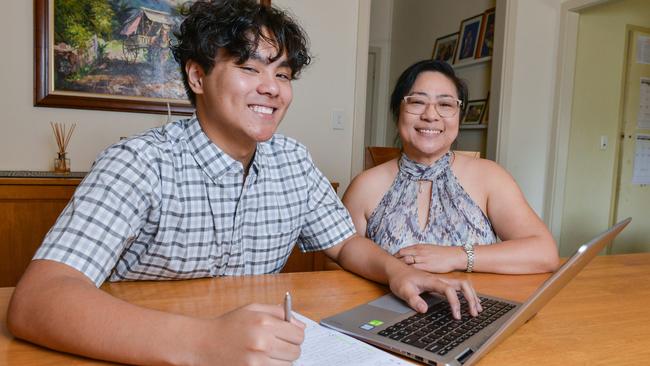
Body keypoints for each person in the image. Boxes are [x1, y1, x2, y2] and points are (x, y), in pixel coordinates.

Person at [7, 3, 482, 366]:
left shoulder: (292, 160)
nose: (272, 88)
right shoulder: (138, 163)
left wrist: (398, 272)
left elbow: (345, 243)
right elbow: (36, 302)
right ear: (197, 75)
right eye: (250, 69)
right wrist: (203, 343)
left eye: (283, 74)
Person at [343, 60, 559, 275]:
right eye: (417, 102)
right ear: (397, 110)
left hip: (477, 305)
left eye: (445, 105)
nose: (430, 115)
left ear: (459, 116)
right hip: (389, 307)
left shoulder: (490, 177)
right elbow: (337, 262)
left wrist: (456, 256)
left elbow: (544, 253)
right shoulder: (364, 186)